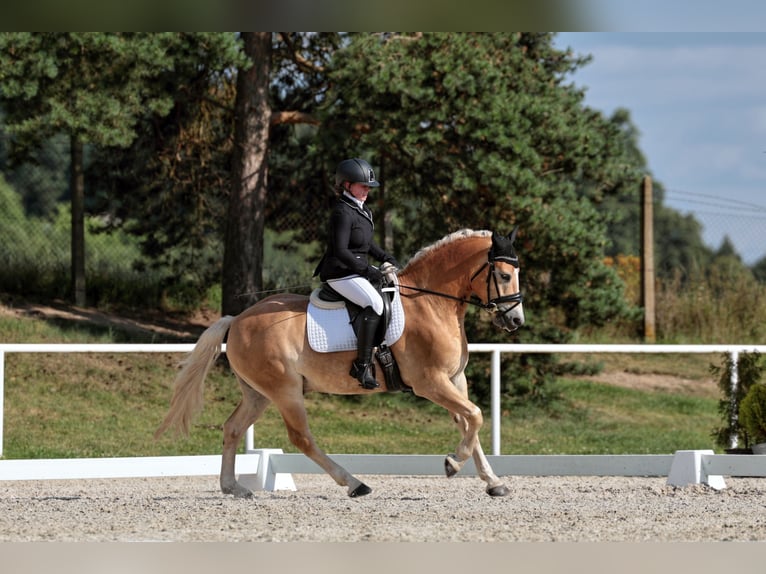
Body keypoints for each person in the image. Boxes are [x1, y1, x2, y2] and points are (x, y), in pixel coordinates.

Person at [314, 158, 399, 389]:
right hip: (340, 273)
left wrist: (386, 258)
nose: (367, 191)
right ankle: (362, 365)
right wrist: (369, 270)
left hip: (356, 271)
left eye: (369, 187)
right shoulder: (342, 212)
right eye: (363, 186)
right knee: (375, 304)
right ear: (347, 185)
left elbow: (366, 244)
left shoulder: (361, 210)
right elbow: (341, 251)